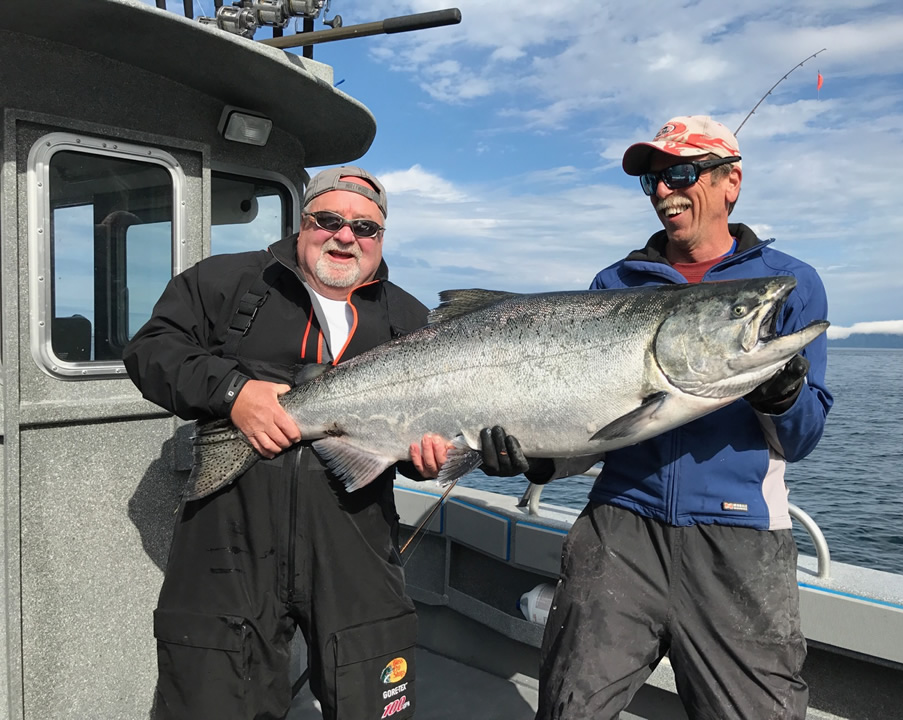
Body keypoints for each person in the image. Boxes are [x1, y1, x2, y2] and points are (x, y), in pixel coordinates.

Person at [123, 166, 453, 720]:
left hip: (356, 543)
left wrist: (428, 461)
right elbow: (149, 351)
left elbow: (421, 440)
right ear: (303, 223)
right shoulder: (223, 282)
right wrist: (233, 392)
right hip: (227, 544)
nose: (346, 236)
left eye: (365, 228)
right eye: (329, 220)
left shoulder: (413, 320)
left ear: (380, 239)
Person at [532, 116, 833, 719]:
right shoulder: (614, 283)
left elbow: (802, 438)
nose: (664, 192)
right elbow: (591, 425)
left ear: (731, 182)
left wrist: (783, 398)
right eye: (653, 181)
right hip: (618, 527)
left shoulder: (790, 284)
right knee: (569, 710)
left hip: (740, 539)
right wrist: (533, 456)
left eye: (680, 173)